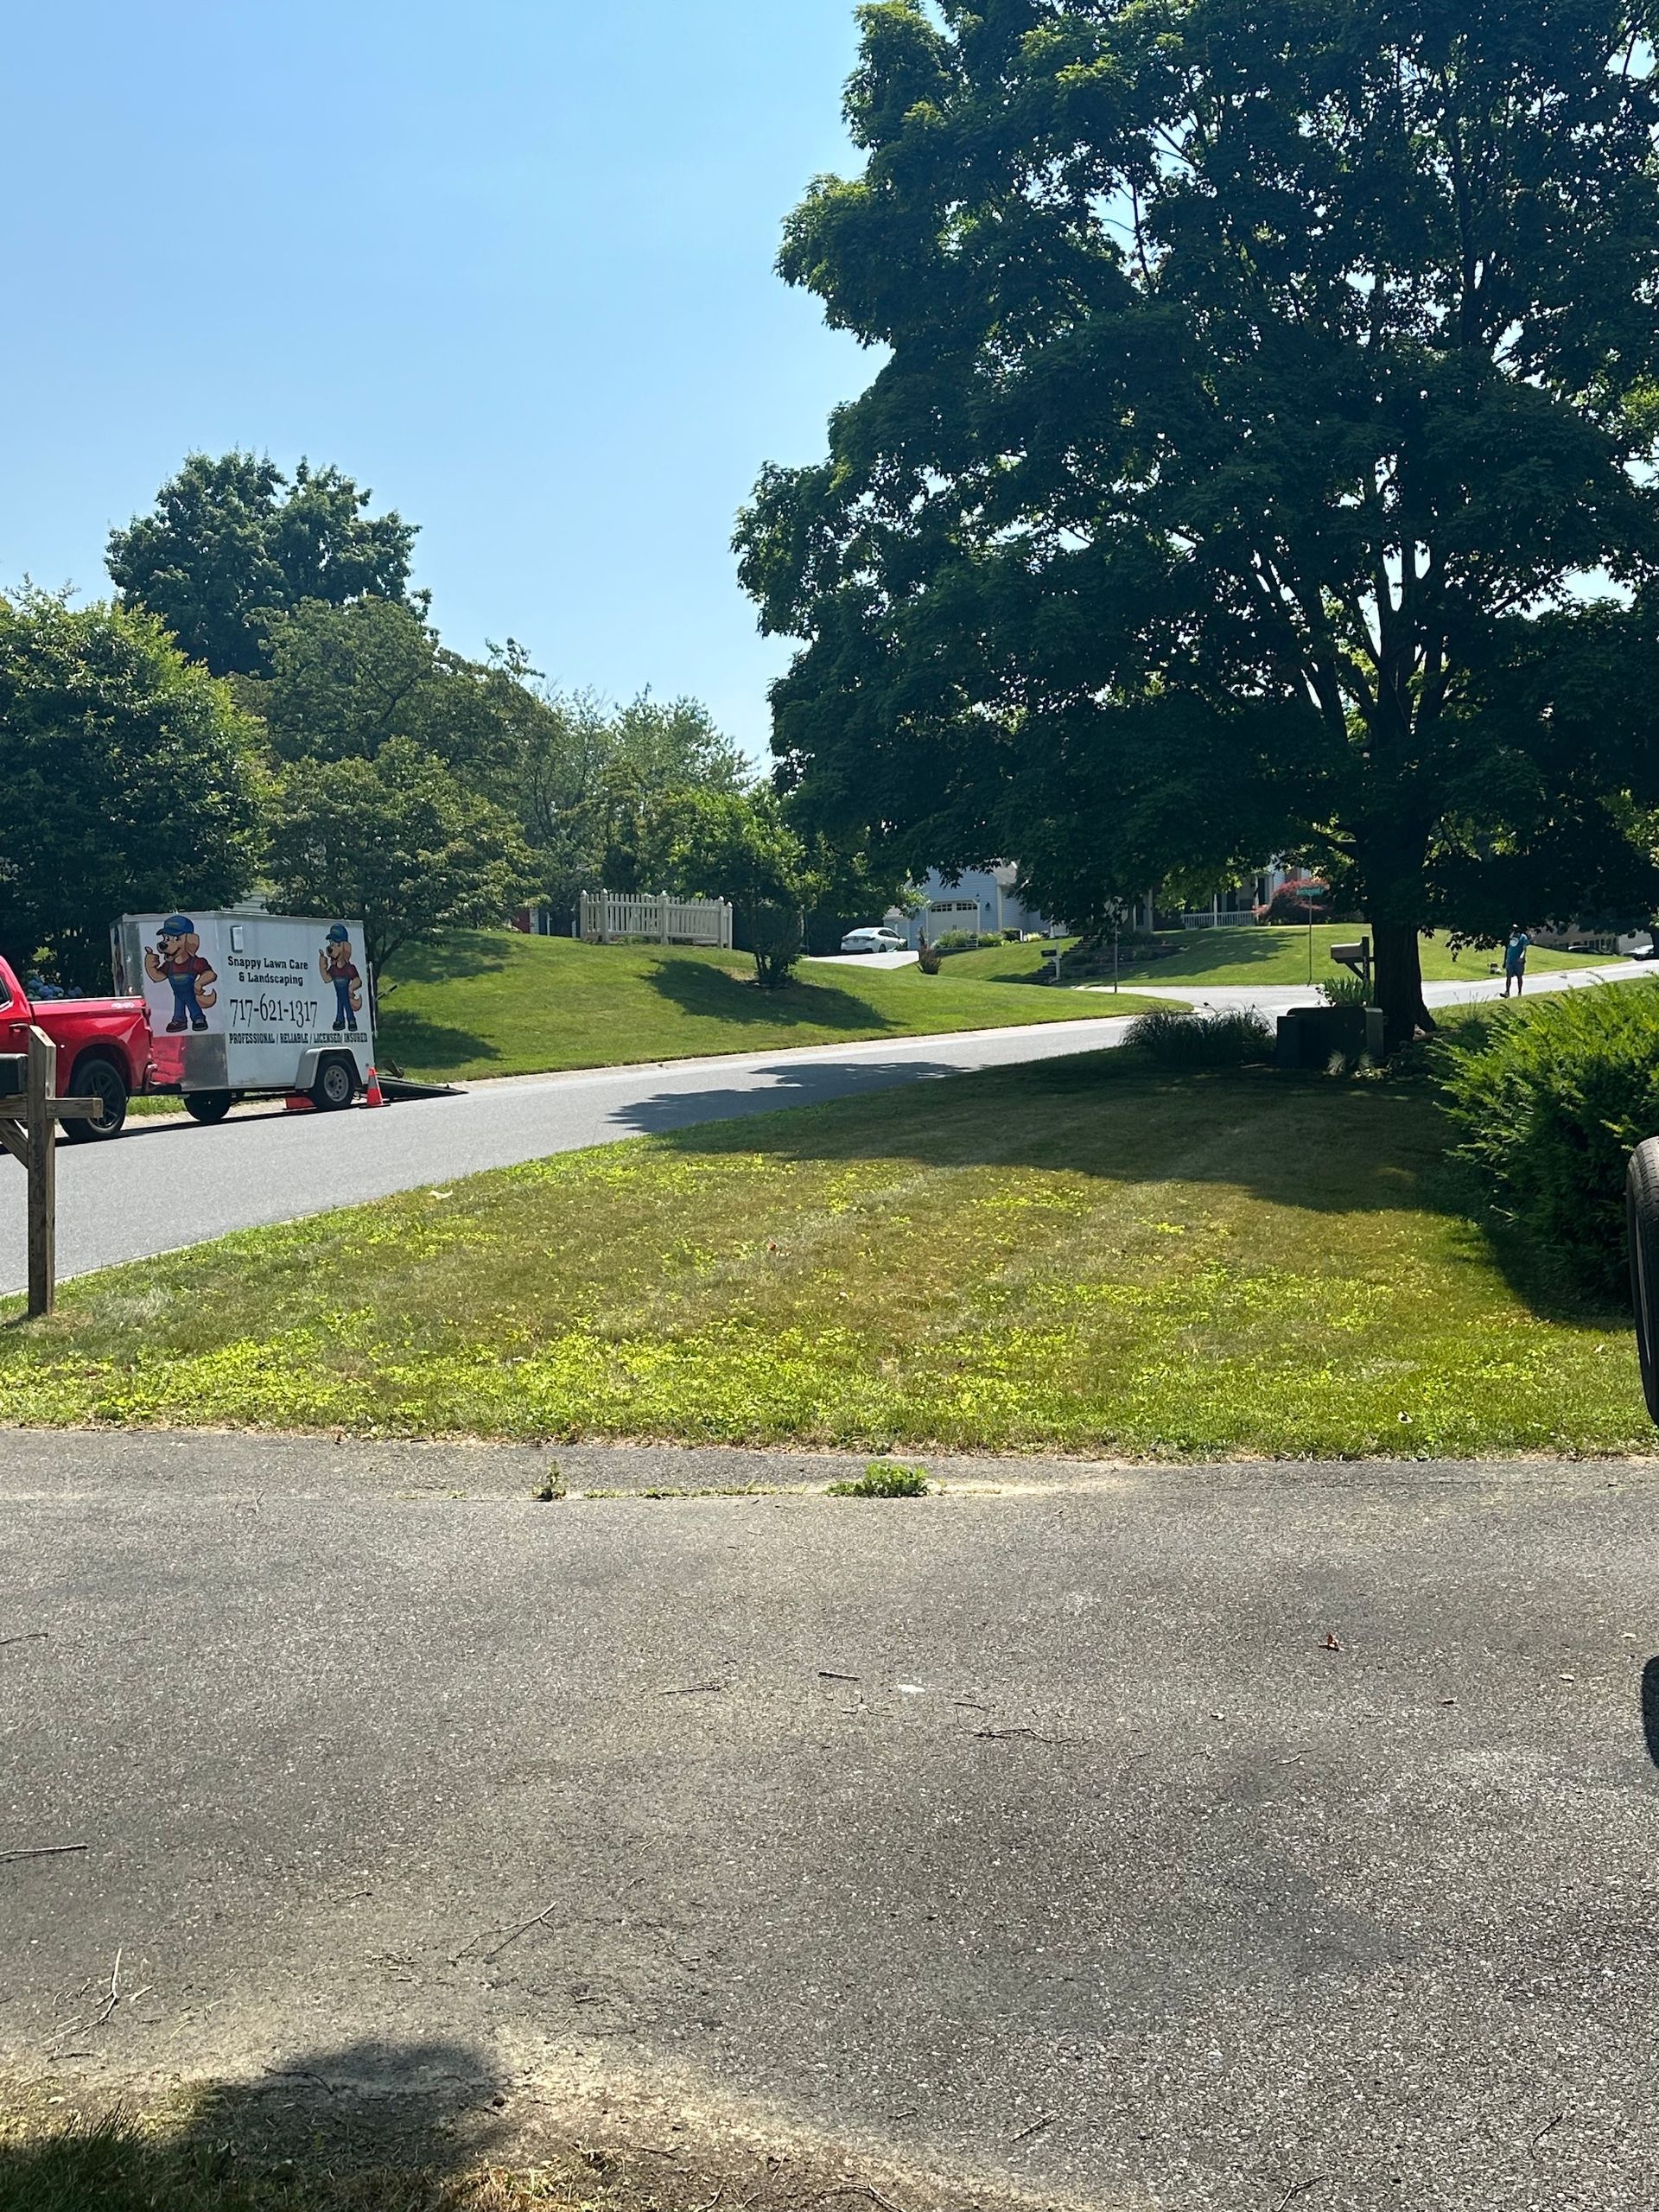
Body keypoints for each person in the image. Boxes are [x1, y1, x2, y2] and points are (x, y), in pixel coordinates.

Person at [1502, 924, 1531, 997]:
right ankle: (1507, 992)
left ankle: (1519, 992)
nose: (1513, 932)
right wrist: (1505, 961)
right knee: (1508, 977)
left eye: (1514, 930)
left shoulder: (1523, 937)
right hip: (1510, 960)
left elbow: (1524, 949)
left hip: (1518, 961)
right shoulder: (1510, 938)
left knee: (1519, 977)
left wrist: (1522, 957)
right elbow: (1508, 949)